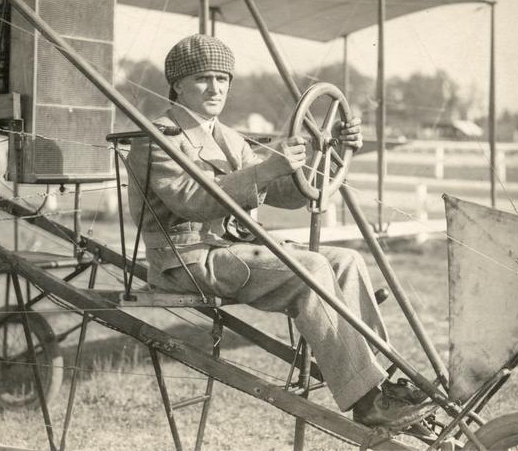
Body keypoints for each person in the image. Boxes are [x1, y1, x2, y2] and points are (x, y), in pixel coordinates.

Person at [126, 34, 434, 430]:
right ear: (177, 85)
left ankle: (384, 386)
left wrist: (333, 151)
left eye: (223, 79)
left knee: (346, 260)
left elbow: (286, 193)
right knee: (311, 270)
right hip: (186, 258)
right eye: (203, 78)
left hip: (230, 250)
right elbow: (190, 201)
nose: (216, 88)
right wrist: (265, 168)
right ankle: (368, 401)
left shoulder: (227, 137)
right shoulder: (158, 136)